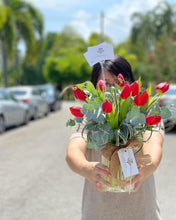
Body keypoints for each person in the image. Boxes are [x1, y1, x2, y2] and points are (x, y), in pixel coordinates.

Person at [66, 55, 164, 220]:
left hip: (142, 212)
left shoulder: (143, 113)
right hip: (98, 213)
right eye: (106, 84)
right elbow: (73, 151)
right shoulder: (88, 117)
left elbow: (154, 142)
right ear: (95, 88)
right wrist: (86, 168)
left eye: (118, 83)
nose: (112, 89)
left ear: (130, 84)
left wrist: (147, 167)